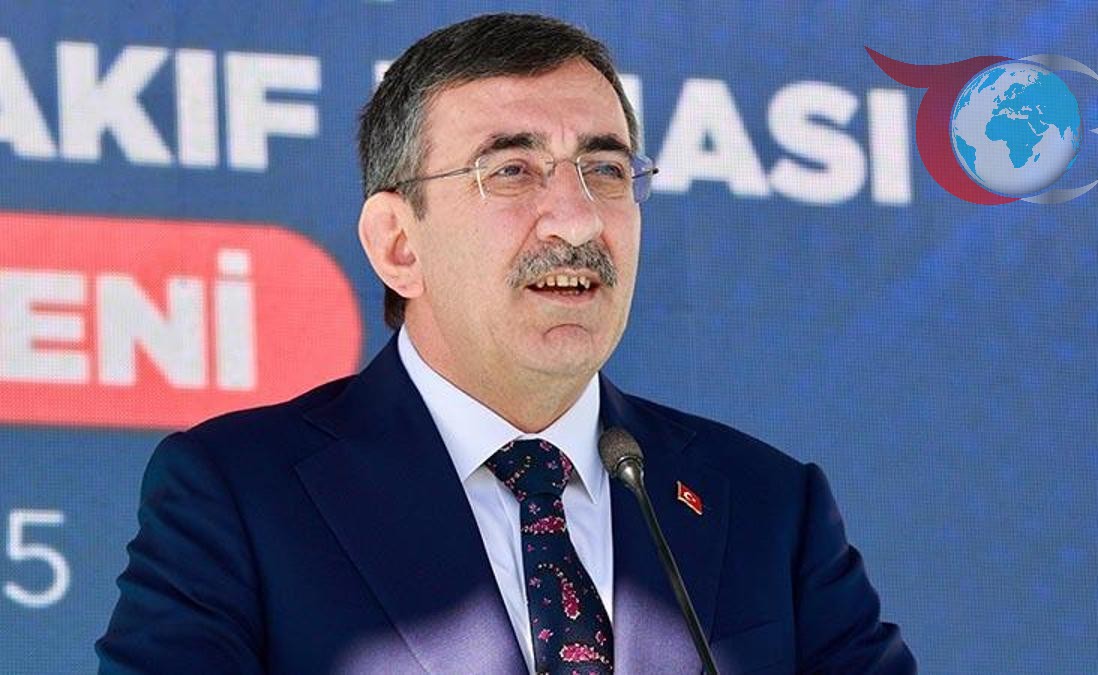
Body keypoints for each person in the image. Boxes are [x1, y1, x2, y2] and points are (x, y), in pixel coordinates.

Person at [97, 13, 915, 674]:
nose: (578, 220)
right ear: (398, 245)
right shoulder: (239, 497)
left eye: (605, 170)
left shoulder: (770, 505)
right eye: (513, 171)